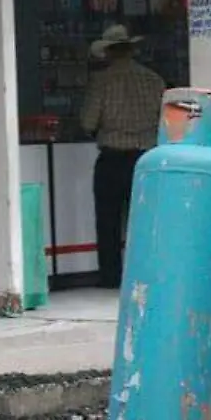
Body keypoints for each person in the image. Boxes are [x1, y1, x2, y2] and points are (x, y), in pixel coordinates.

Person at [81, 24, 167, 288]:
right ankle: (145, 273)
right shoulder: (154, 80)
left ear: (108, 52)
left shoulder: (102, 81)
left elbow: (87, 121)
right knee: (144, 220)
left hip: (112, 158)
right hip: (146, 158)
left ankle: (111, 277)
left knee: (108, 222)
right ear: (131, 49)